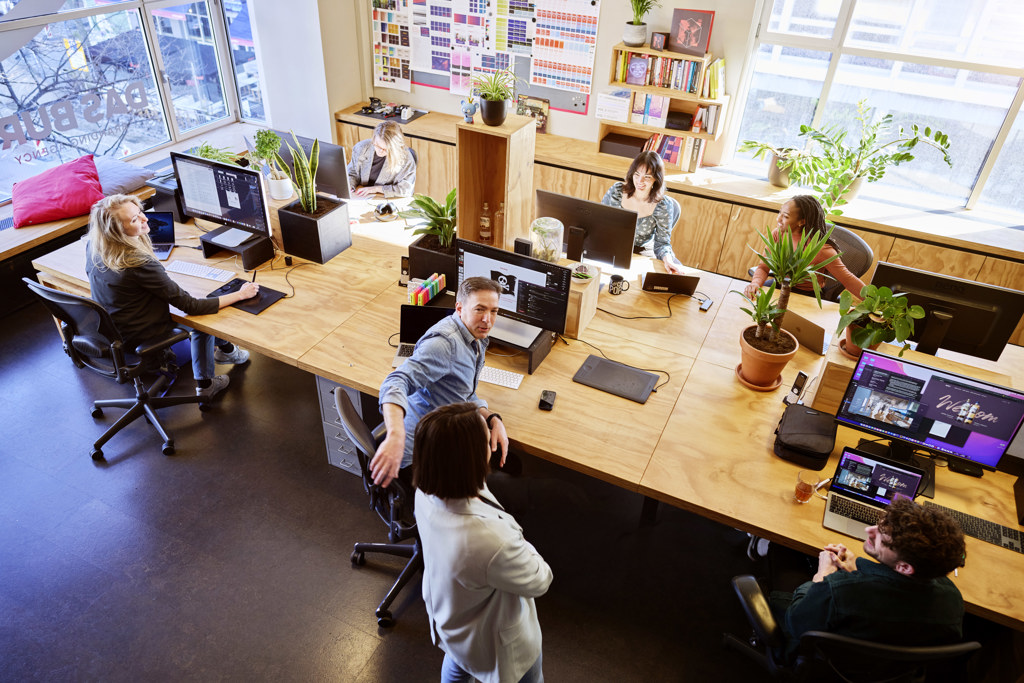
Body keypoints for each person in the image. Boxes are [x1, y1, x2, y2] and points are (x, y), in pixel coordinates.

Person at [413, 402, 552, 683]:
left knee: (457, 665)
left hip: (454, 619)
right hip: (499, 646)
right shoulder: (491, 540)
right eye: (486, 439)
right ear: (472, 459)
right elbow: (540, 579)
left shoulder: (425, 495)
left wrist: (491, 417)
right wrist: (519, 541)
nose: (491, 441)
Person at [85, 194, 258, 399]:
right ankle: (206, 385)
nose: (145, 219)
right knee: (202, 319)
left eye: (140, 212)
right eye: (134, 220)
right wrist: (240, 294)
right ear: (116, 231)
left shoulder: (95, 247)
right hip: (139, 338)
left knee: (202, 305)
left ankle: (226, 351)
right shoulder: (137, 263)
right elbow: (192, 306)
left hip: (112, 332)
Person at [771, 498, 966, 662]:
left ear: (904, 567)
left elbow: (797, 623)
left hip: (828, 663)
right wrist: (855, 568)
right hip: (887, 671)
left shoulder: (839, 591)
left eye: (881, 537)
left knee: (782, 553)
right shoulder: (953, 600)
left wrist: (823, 575)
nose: (868, 530)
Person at [372, 276, 508, 488]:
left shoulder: (475, 336)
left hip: (442, 432)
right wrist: (395, 435)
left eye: (494, 311)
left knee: (504, 461)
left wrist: (492, 418)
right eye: (479, 309)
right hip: (416, 458)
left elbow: (461, 391)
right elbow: (395, 381)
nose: (488, 320)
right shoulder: (444, 344)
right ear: (459, 307)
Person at [744, 194, 867, 300]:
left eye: (785, 216)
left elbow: (848, 280)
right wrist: (755, 284)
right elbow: (764, 267)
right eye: (779, 212)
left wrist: (876, 304)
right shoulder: (778, 234)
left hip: (806, 295)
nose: (778, 219)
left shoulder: (821, 249)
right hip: (779, 285)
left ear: (802, 221)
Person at [601, 150, 685, 274]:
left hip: (642, 251)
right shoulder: (616, 191)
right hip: (611, 245)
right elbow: (599, 221)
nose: (640, 181)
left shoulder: (663, 205)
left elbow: (662, 244)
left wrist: (668, 260)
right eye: (637, 174)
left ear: (656, 179)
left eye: (647, 177)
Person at [347, 120, 417, 198]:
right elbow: (352, 172)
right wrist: (350, 185)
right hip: (362, 195)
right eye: (377, 145)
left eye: (385, 149)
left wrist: (377, 189)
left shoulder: (406, 159)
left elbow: (406, 190)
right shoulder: (361, 148)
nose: (380, 151)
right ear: (373, 139)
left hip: (387, 198)